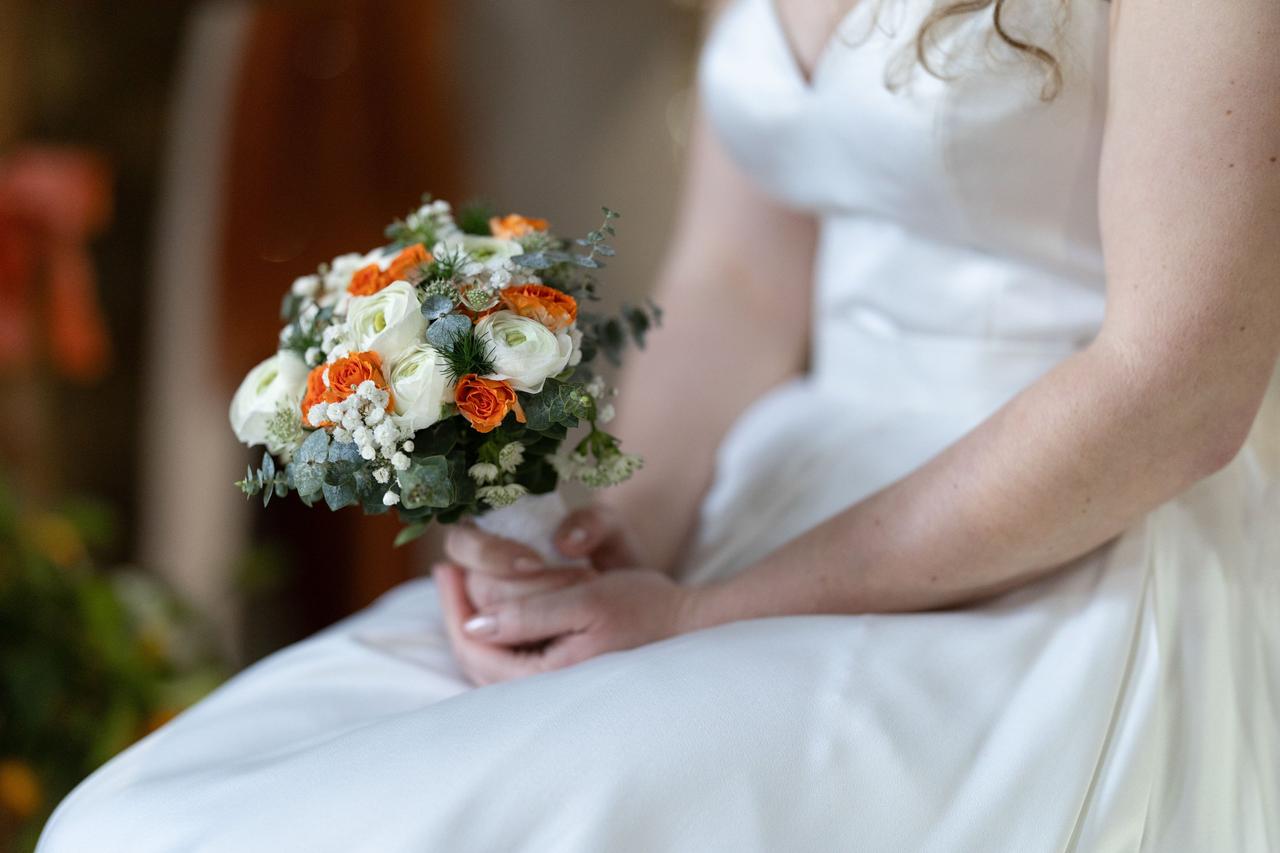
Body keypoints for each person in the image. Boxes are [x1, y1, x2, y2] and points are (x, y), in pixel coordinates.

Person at [40, 0, 1280, 849]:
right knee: (138, 820)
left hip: (1061, 533)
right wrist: (606, 532)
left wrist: (708, 617)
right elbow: (738, 284)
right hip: (787, 476)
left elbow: (1174, 388)